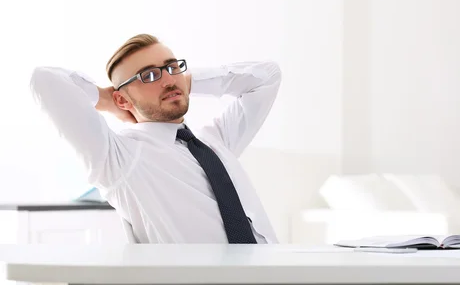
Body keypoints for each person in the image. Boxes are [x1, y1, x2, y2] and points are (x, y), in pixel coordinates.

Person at [29, 33, 282, 244]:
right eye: (149, 76)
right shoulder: (119, 157)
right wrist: (107, 100)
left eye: (172, 68)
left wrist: (186, 82)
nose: (168, 80)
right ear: (122, 99)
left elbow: (268, 76)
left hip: (275, 273)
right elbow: (45, 79)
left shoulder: (217, 141)